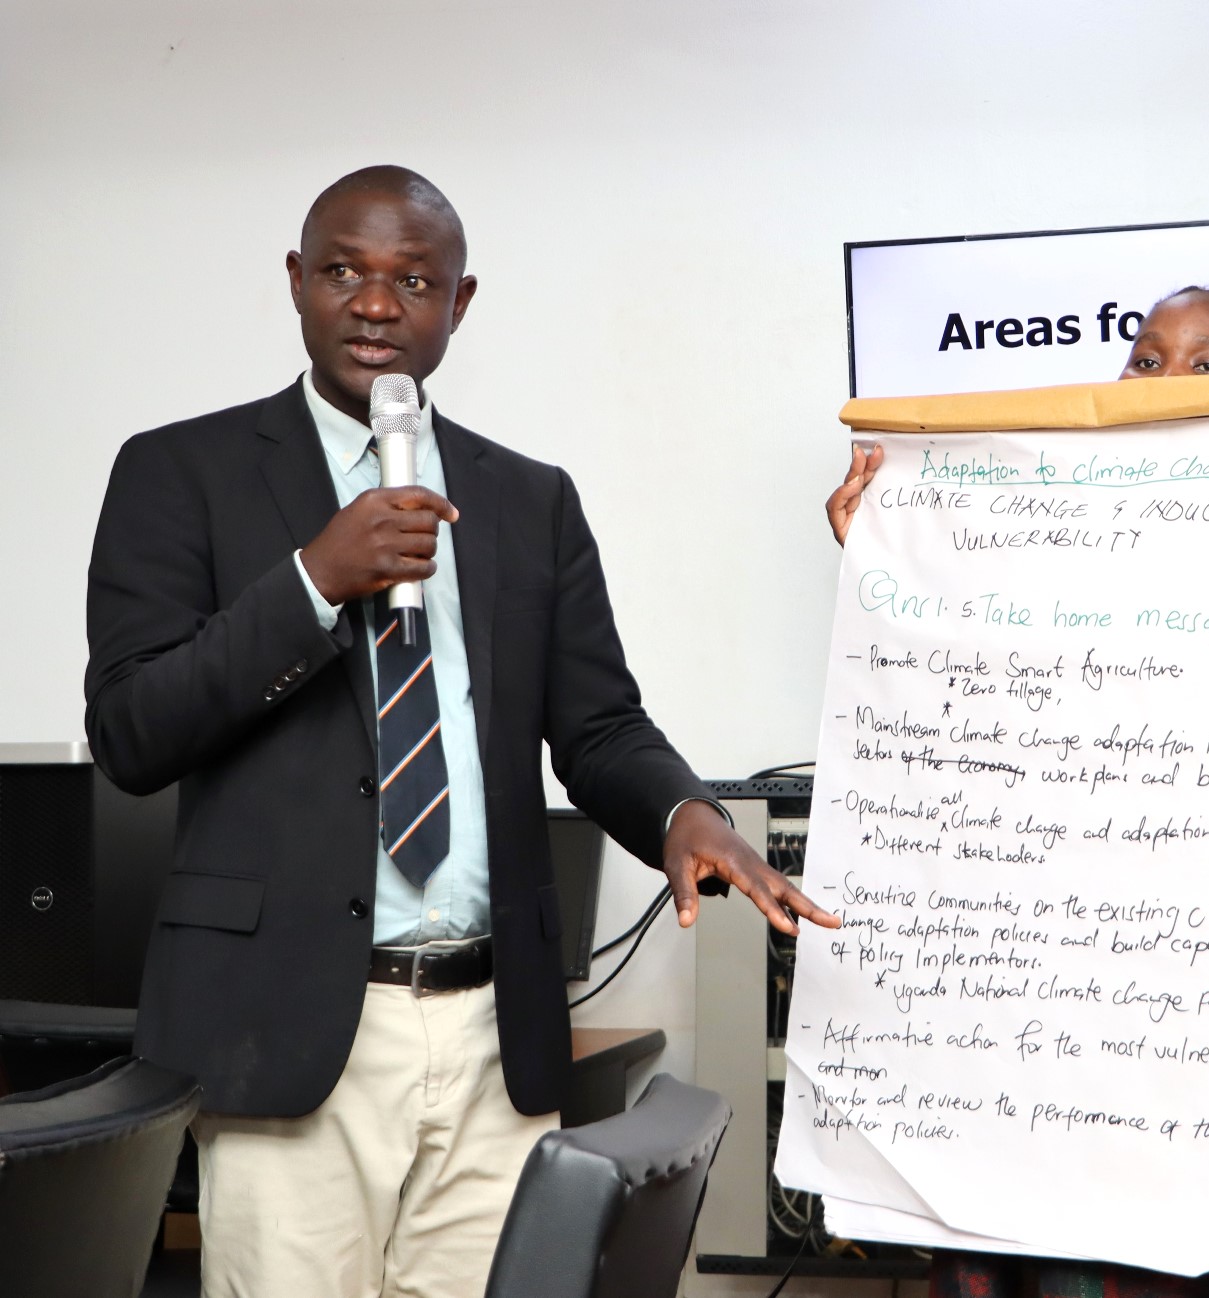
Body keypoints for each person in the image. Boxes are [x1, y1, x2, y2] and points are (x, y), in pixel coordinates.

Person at [84, 165, 838, 1298]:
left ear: (459, 302)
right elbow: (132, 732)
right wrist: (312, 581)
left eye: (413, 280)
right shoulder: (178, 472)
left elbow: (598, 722)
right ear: (296, 282)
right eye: (343, 270)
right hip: (286, 1034)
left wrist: (687, 812)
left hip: (496, 1034)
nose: (377, 304)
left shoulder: (529, 497)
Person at [824, 287, 1209, 1298]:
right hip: (1077, 1004)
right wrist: (895, 564)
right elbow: (973, 745)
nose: (1165, 383)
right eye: (1144, 360)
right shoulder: (1041, 556)